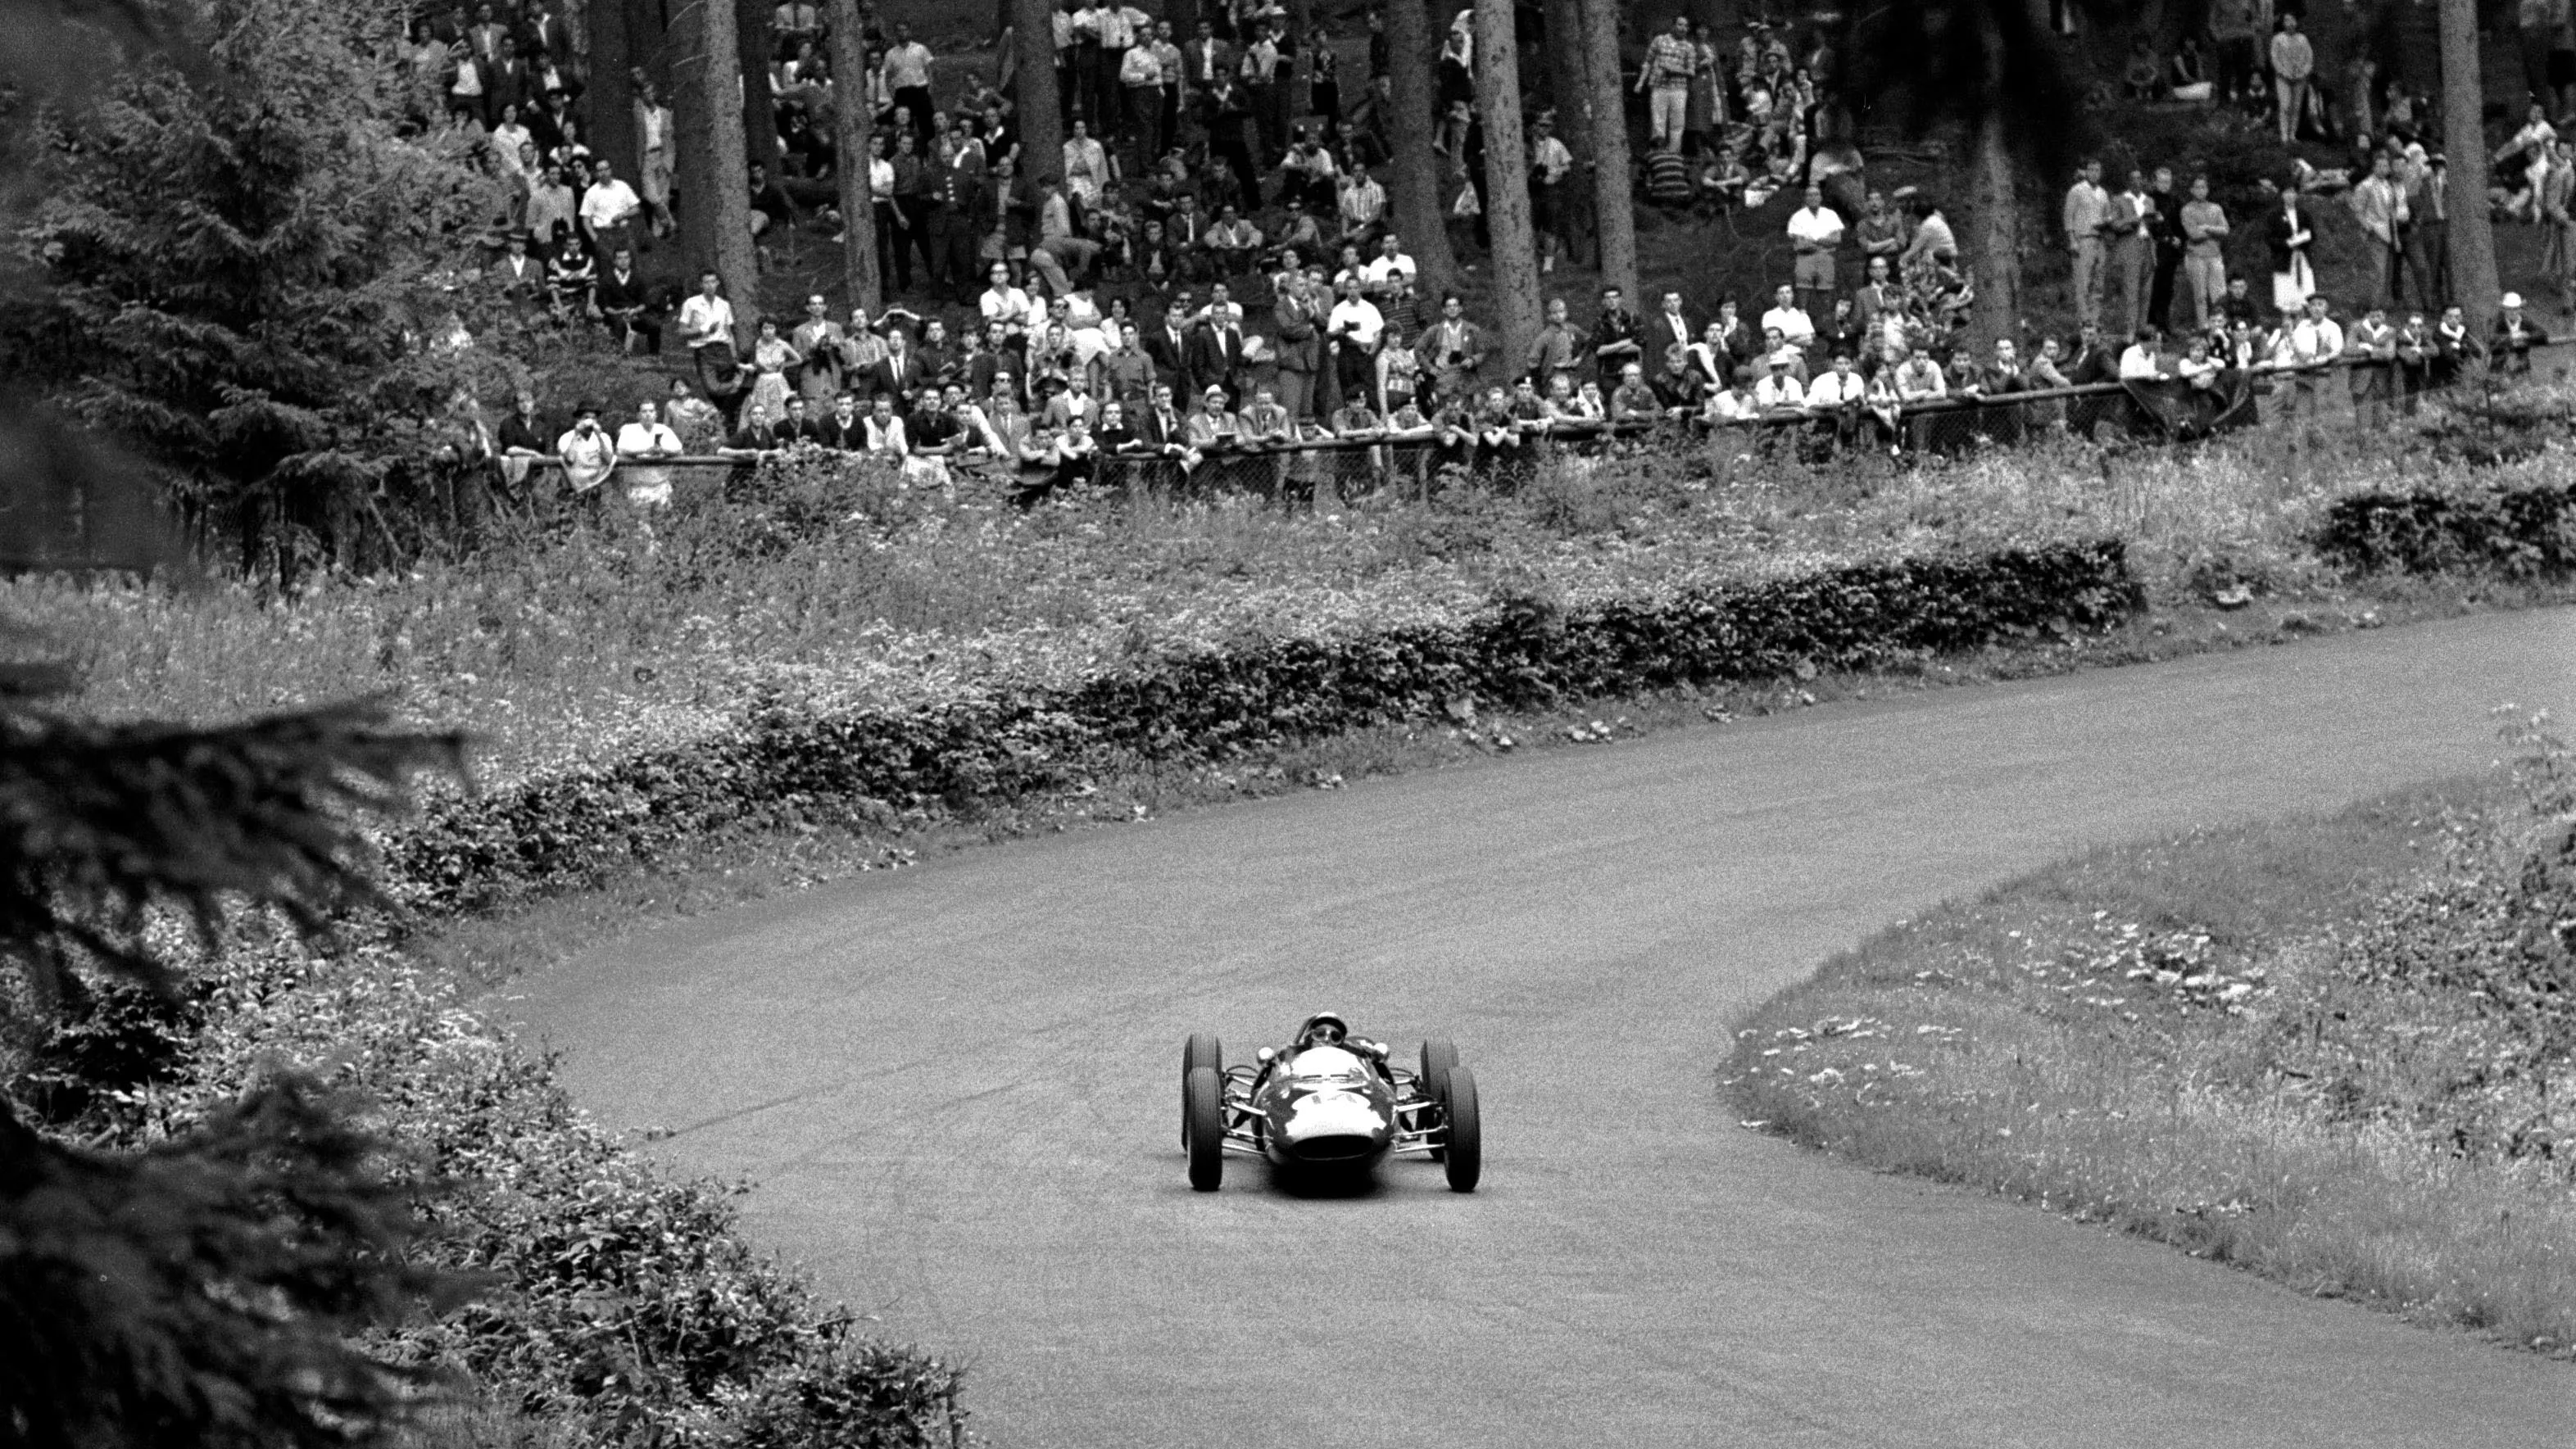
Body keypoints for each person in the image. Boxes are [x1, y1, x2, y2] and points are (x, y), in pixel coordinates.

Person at [1786, 183, 1844, 321]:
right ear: (1805, 198)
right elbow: (1800, 244)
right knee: (1803, 285)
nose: (1813, 197)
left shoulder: (1830, 214)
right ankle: (1803, 314)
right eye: (1810, 195)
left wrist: (1813, 241)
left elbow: (1836, 238)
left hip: (1826, 256)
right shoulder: (1798, 216)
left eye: (1816, 194)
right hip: (1805, 257)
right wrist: (1823, 242)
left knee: (1826, 286)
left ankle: (1825, 317)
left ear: (1821, 197)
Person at [2179, 175, 2230, 331]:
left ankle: (2220, 327)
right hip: (2196, 257)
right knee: (2200, 296)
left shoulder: (2216, 208)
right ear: (2192, 190)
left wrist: (2207, 228)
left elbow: (2226, 230)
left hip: (2215, 256)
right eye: (2197, 187)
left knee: (2220, 295)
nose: (2200, 191)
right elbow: (2193, 235)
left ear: (2207, 190)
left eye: (2203, 187)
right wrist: (2216, 232)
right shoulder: (2187, 210)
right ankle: (2203, 329)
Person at [614, 399, 683, 506]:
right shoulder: (629, 430)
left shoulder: (664, 430)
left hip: (661, 485)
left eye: (651, 411)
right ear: (638, 415)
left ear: (656, 414)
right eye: (644, 411)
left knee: (663, 520)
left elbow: (678, 449)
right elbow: (622, 449)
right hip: (639, 486)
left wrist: (663, 450)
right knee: (642, 522)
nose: (648, 415)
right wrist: (646, 450)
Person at [554, 403, 616, 501]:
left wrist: (599, 436)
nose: (590, 421)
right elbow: (569, 459)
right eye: (586, 418)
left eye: (594, 418)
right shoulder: (567, 437)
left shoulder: (604, 437)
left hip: (598, 486)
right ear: (578, 420)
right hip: (572, 488)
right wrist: (576, 434)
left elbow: (609, 459)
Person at [2270, 14, 2314, 146]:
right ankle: (2284, 135)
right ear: (2283, 23)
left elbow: (2309, 57)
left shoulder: (2302, 39)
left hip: (2300, 77)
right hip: (2283, 77)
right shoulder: (2278, 39)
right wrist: (2283, 72)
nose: (2290, 23)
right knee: (2285, 106)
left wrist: (2304, 72)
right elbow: (2274, 57)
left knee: (2296, 107)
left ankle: (2292, 134)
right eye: (2287, 20)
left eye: (2292, 20)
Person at [2493, 291, 2551, 373]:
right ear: (2504, 309)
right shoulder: (2497, 321)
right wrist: (2511, 337)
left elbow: (2543, 334)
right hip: (2500, 364)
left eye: (2516, 309)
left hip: (2521, 365)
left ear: (2520, 309)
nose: (2513, 312)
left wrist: (2527, 336)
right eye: (2509, 309)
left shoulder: (2525, 321)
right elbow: (2491, 338)